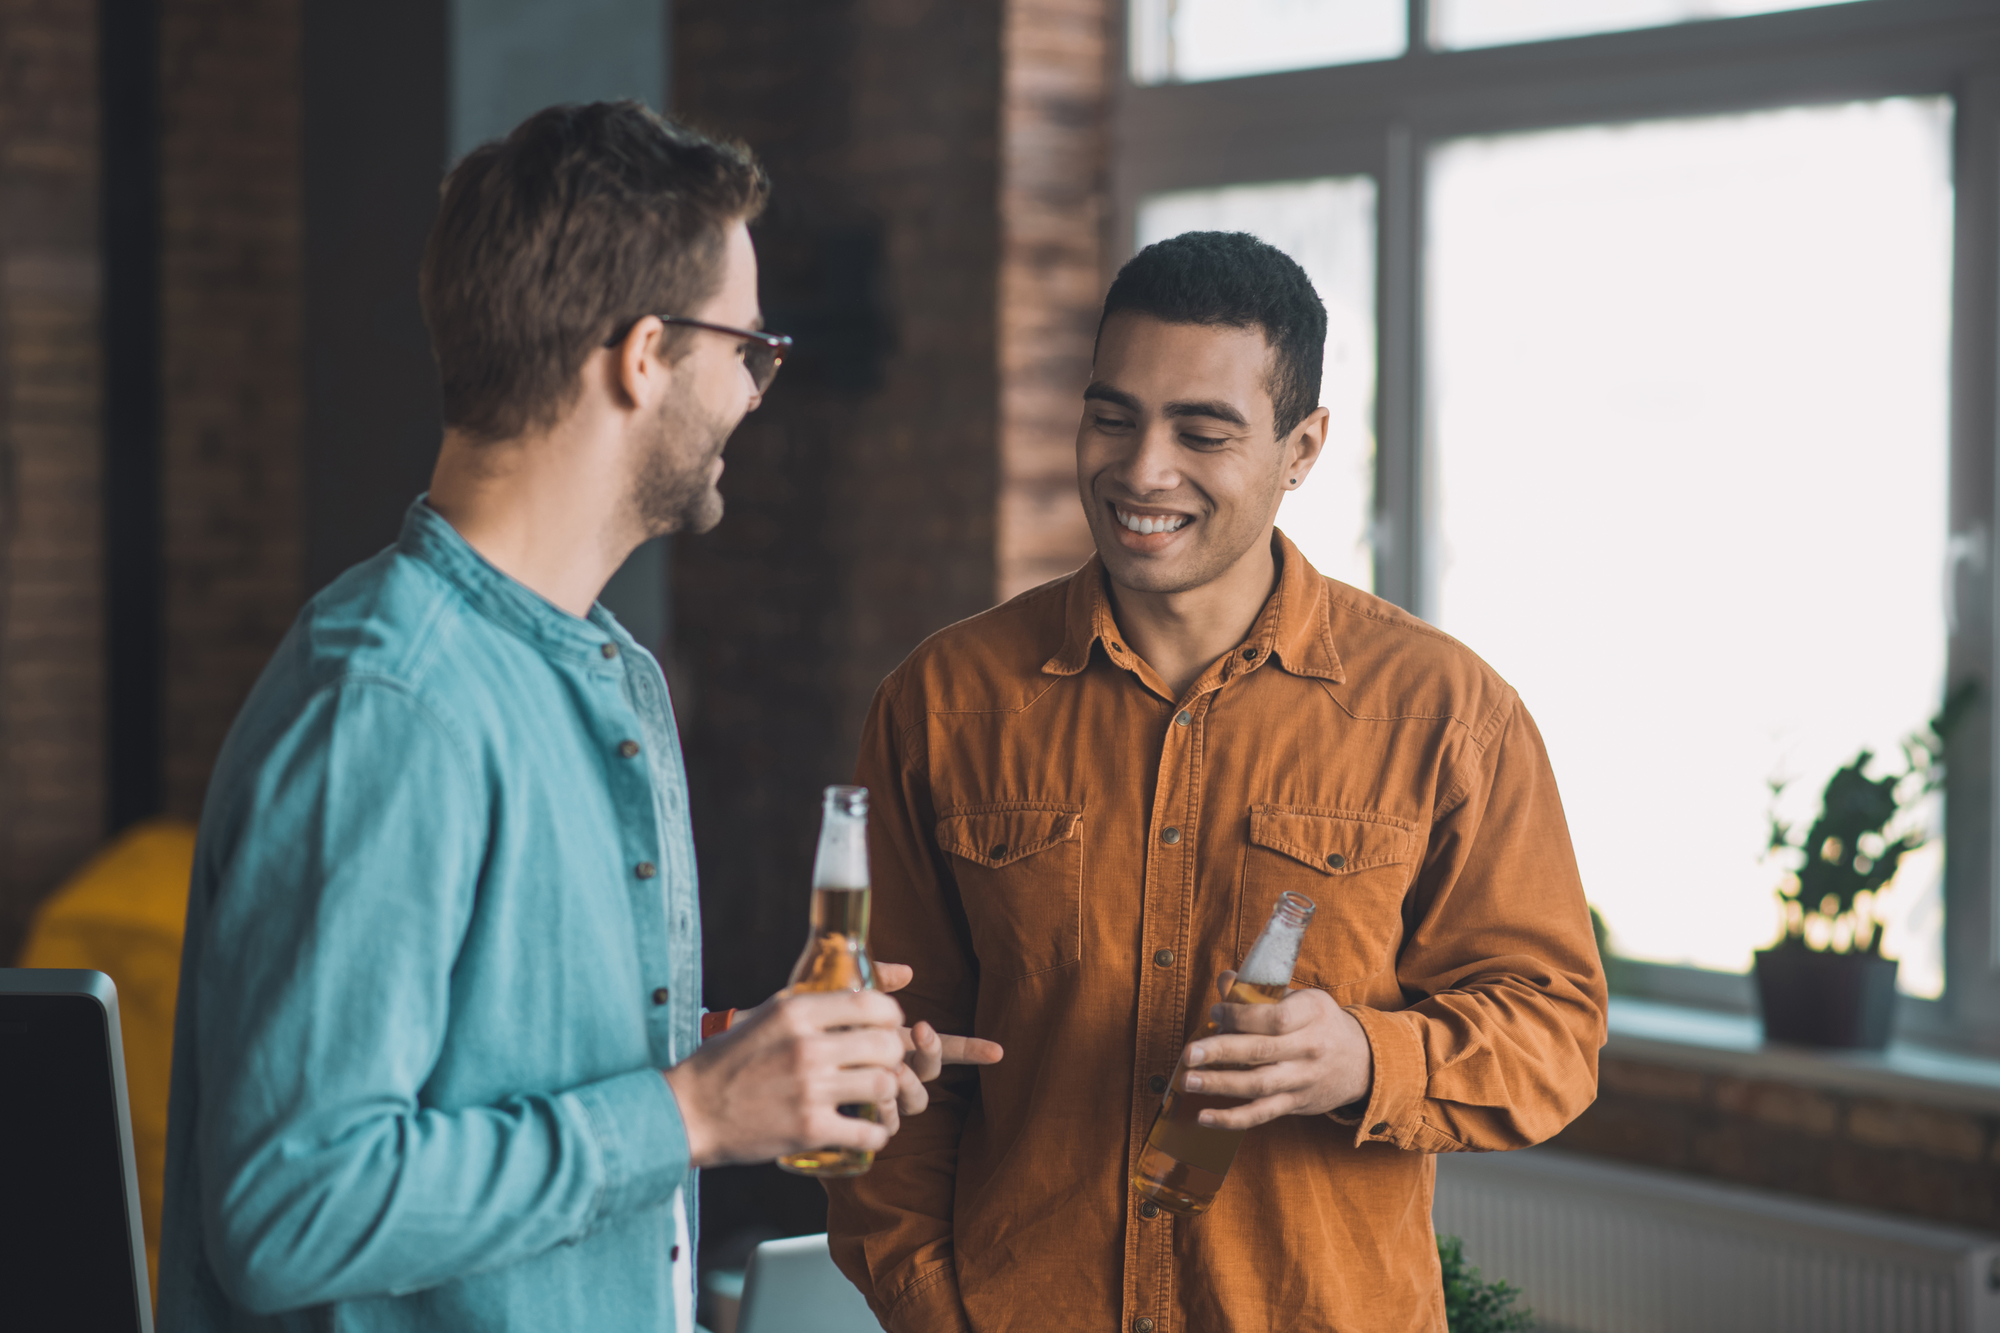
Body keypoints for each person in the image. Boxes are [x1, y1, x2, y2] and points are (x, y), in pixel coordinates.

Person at [157, 102, 995, 1333]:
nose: (755, 395)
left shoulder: (608, 670)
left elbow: (489, 1063)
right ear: (643, 354)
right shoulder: (391, 703)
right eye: (747, 350)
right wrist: (696, 1111)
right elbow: (293, 1207)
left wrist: (748, 1065)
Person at [825, 231, 1608, 1332]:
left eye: (1202, 431)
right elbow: (878, 1056)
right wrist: (925, 1305)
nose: (1142, 469)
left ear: (1301, 448)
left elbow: (1553, 1035)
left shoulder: (1445, 715)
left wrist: (1364, 1057)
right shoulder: (945, 702)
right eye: (1112, 415)